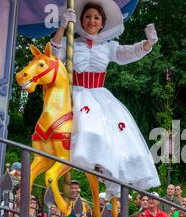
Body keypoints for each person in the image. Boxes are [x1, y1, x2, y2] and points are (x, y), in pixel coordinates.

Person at [51, 0, 160, 195]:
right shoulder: (71, 43)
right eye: (87, 17)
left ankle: (106, 171)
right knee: (90, 126)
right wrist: (62, 27)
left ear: (102, 23)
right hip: (77, 94)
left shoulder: (108, 47)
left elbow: (129, 52)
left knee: (118, 135)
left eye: (96, 18)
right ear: (80, 20)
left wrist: (147, 44)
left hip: (99, 96)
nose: (91, 21)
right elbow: (52, 55)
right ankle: (87, 161)